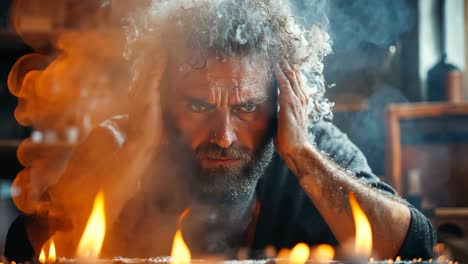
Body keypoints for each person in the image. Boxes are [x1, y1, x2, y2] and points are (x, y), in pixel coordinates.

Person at [5, 0, 435, 261]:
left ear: (283, 101)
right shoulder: (121, 143)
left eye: (247, 107)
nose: (224, 135)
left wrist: (303, 156)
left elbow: (414, 246)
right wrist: (134, 152)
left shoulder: (311, 147)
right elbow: (27, 249)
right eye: (198, 105)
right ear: (158, 96)